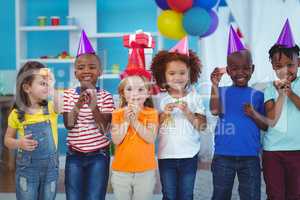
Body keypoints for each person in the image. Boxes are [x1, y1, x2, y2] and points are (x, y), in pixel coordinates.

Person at [210, 26, 267, 200]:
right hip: (223, 155)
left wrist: (253, 114)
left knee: (251, 195)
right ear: (228, 71)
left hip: (250, 157)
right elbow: (214, 111)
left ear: (252, 69)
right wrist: (214, 85)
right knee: (220, 195)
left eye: (245, 68)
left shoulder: (258, 95)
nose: (240, 73)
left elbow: (265, 125)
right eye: (234, 69)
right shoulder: (222, 91)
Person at [151, 37, 207, 200]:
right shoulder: (159, 98)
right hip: (166, 155)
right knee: (168, 194)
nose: (178, 77)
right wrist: (163, 115)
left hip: (189, 155)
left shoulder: (194, 97)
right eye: (172, 73)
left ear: (190, 74)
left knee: (186, 194)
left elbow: (202, 126)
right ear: (164, 75)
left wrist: (189, 113)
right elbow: (151, 127)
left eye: (182, 73)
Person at [63, 30, 114, 200]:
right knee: (74, 196)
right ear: (75, 72)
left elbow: (104, 129)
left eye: (92, 67)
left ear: (100, 72)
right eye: (81, 67)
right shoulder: (69, 95)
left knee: (95, 196)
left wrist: (93, 104)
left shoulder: (106, 96)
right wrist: (79, 102)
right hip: (74, 156)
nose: (86, 71)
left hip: (99, 156)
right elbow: (69, 124)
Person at [5, 61, 59, 200]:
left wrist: (52, 85)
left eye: (47, 83)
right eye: (42, 83)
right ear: (27, 88)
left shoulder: (51, 108)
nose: (46, 86)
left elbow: (62, 105)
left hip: (50, 171)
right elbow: (7, 140)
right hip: (27, 171)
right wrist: (19, 143)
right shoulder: (17, 114)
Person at [111, 47, 159, 200]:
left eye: (140, 89)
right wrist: (126, 120)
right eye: (129, 89)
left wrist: (135, 121)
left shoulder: (151, 113)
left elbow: (150, 138)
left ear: (147, 93)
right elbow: (116, 140)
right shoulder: (117, 114)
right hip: (121, 171)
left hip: (145, 170)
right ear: (123, 93)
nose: (135, 94)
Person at [262, 19, 300, 199]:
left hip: (298, 150)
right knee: (275, 194)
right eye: (278, 66)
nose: (284, 70)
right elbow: (272, 119)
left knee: (295, 193)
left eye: (289, 65)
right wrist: (281, 95)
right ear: (272, 67)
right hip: (273, 151)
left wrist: (291, 94)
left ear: (298, 62)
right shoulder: (270, 88)